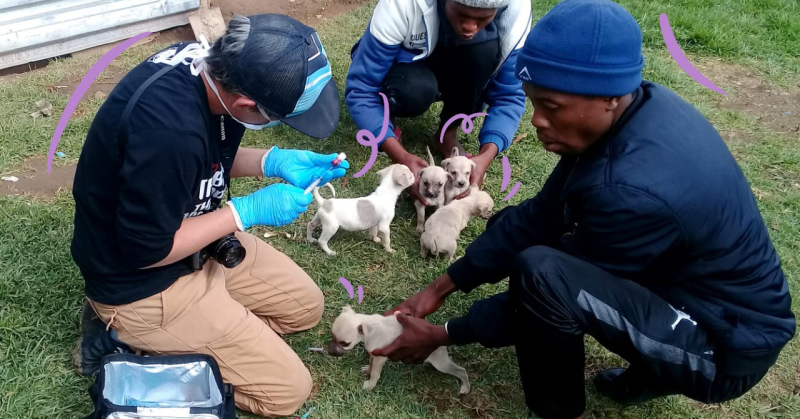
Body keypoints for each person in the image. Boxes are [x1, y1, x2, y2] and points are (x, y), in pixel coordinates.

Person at [369, 1, 796, 418]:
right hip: (688, 283)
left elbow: (547, 289)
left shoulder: (631, 189)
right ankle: (647, 373)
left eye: (550, 106)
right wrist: (439, 289)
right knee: (518, 228)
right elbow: (541, 215)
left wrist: (444, 334)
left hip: (726, 344)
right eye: (533, 102)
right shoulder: (634, 111)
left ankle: (559, 408)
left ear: (608, 97)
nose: (536, 120)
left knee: (542, 274)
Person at [70, 15, 348, 417]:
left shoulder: (217, 71)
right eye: (279, 118)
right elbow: (147, 250)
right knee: (287, 391)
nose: (278, 126)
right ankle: (120, 335)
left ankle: (209, 317)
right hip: (143, 280)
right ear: (246, 104)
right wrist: (246, 211)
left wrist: (272, 161)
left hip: (197, 243)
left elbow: (206, 157)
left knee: (306, 309)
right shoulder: (169, 132)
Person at [345, 0, 531, 202]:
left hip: (458, 60)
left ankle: (446, 135)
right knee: (414, 89)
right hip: (406, 69)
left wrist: (487, 154)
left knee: (482, 53)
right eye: (461, 13)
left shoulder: (516, 9)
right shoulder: (401, 4)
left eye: (483, 18)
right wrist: (399, 154)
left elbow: (509, 96)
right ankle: (387, 119)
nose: (469, 26)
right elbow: (362, 89)